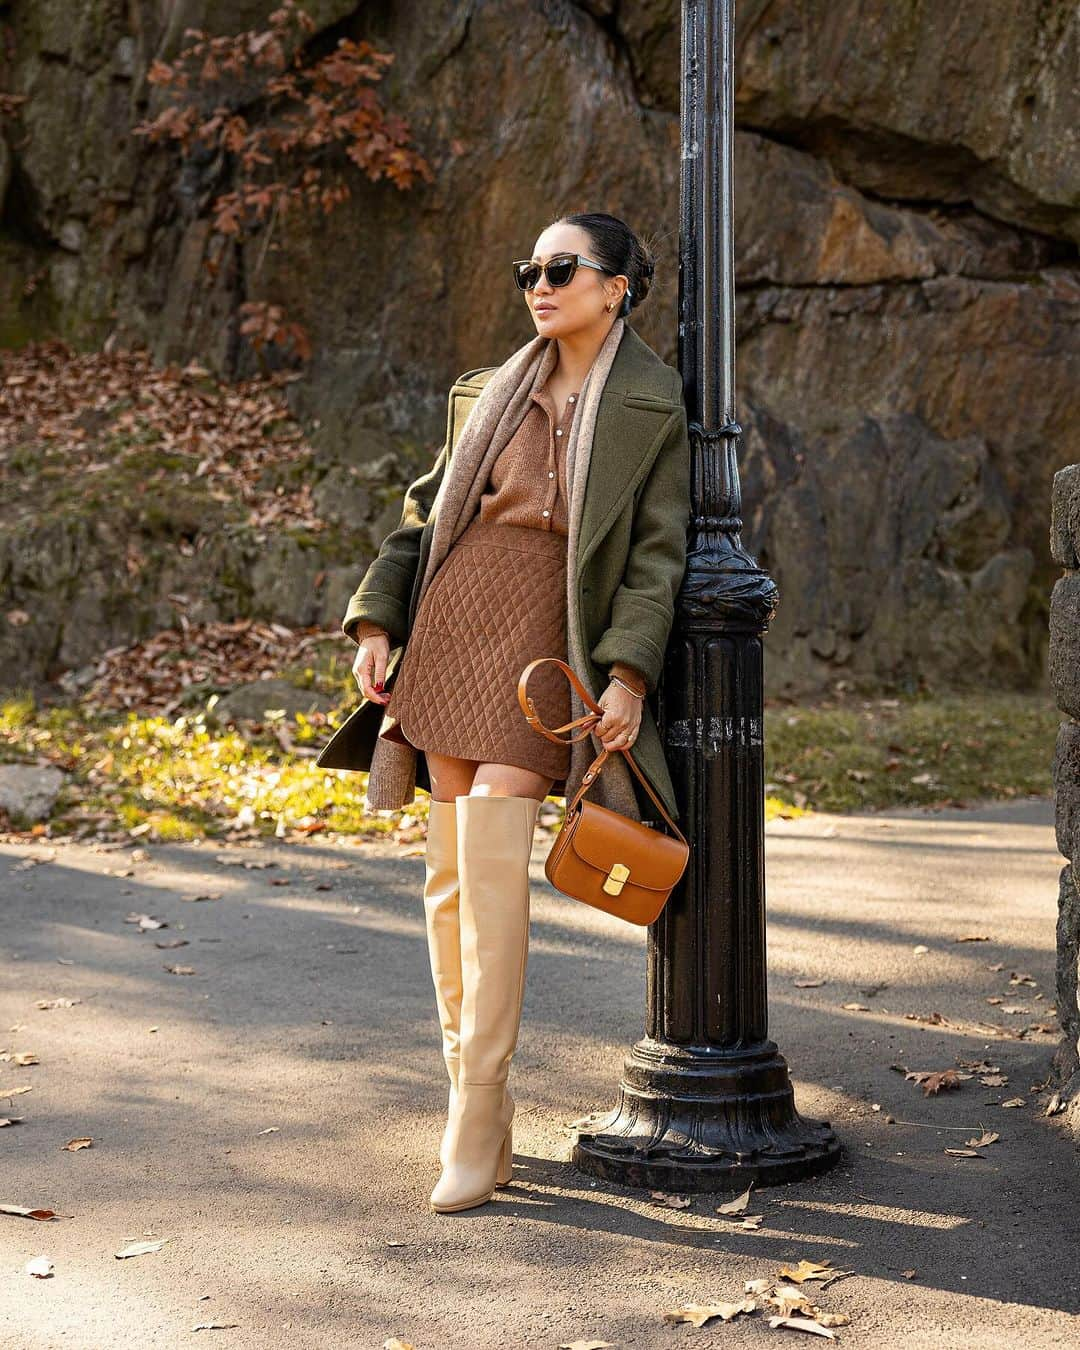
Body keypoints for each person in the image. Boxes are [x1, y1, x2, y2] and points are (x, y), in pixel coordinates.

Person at [331, 212, 690, 1213]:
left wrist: (627, 677)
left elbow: (658, 559)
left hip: (549, 641)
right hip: (455, 621)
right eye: (530, 267)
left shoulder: (654, 404)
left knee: (495, 826)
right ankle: (475, 1109)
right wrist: (377, 622)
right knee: (451, 870)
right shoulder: (489, 389)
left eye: (563, 268)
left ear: (616, 286)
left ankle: (477, 1107)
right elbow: (424, 513)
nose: (541, 282)